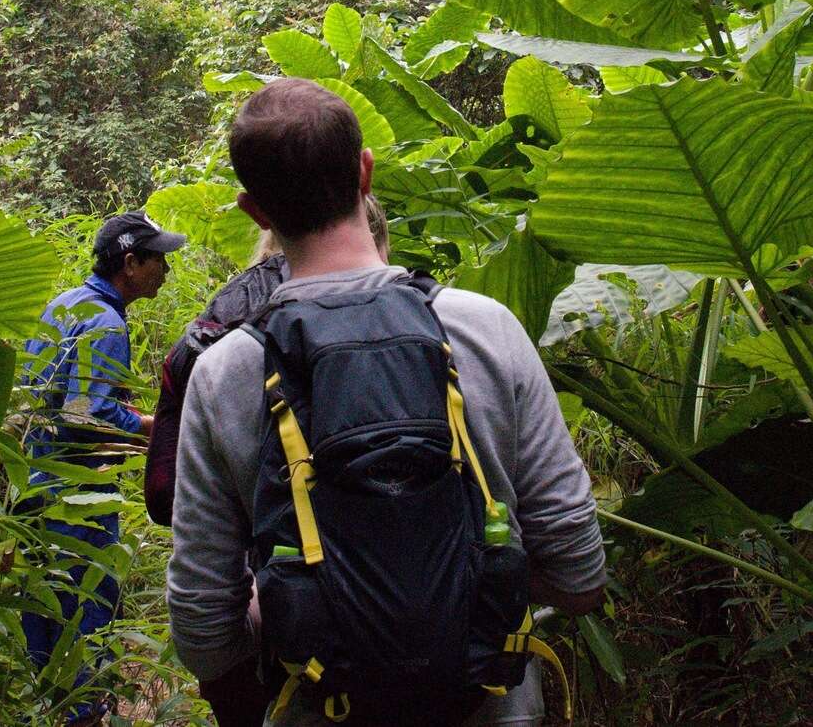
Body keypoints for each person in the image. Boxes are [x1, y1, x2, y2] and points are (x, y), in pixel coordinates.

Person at [168, 79, 606, 727]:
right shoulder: (485, 329)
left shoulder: (226, 371)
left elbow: (205, 635)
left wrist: (300, 604)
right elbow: (579, 576)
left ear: (254, 210)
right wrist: (461, 591)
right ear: (365, 172)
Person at [147, 196, 391, 727]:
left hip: (296, 648)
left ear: (260, 217)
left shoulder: (219, 332)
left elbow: (168, 502)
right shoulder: (452, 323)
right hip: (454, 666)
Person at [20, 210, 186, 725]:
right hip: (76, 499)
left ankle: (57, 711)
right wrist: (151, 427)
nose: (165, 270)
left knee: (43, 614)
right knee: (85, 615)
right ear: (131, 263)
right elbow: (84, 414)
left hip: (29, 489)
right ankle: (87, 715)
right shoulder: (107, 323)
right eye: (159, 259)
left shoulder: (63, 306)